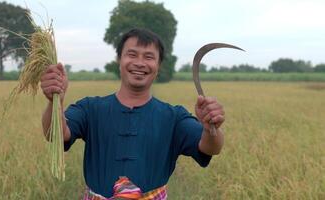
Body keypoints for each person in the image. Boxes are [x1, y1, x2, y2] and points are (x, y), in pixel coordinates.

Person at [40, 28, 225, 199]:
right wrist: (55, 101)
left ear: (158, 66)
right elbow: (54, 134)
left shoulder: (173, 117)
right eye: (132, 54)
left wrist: (210, 129)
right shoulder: (90, 108)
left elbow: (210, 148)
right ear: (119, 60)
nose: (139, 63)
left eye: (149, 57)